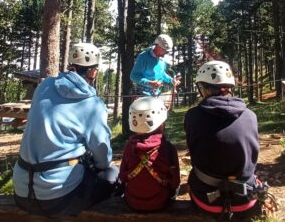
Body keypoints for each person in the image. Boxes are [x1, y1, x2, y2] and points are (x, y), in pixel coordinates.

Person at [13, 42, 119, 217]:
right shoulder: (93, 104)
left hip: (22, 191)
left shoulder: (44, 86)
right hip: (57, 198)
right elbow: (103, 158)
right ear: (93, 72)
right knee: (113, 175)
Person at [184, 60, 263, 218]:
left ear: (203, 88)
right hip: (245, 200)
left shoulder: (192, 116)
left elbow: (193, 151)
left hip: (206, 199)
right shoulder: (250, 116)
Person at [119, 97, 180, 211]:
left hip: (133, 202)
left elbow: (123, 176)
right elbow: (175, 182)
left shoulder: (129, 147)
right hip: (160, 203)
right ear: (162, 122)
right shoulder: (168, 148)